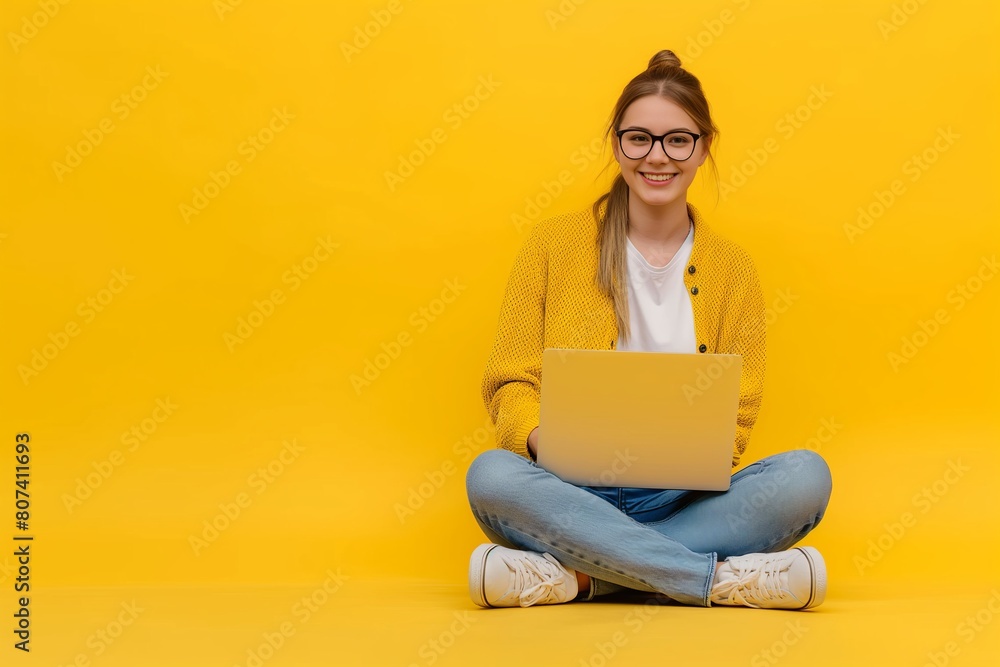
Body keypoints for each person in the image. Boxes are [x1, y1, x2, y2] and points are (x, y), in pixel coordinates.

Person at [465, 49, 833, 610]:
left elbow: (740, 411)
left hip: (680, 499)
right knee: (491, 476)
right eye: (639, 138)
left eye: (677, 140)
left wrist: (689, 456)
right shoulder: (551, 247)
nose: (656, 157)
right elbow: (509, 382)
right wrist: (550, 444)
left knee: (806, 478)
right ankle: (717, 582)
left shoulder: (735, 271)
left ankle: (581, 578)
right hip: (567, 493)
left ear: (703, 146)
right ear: (616, 144)